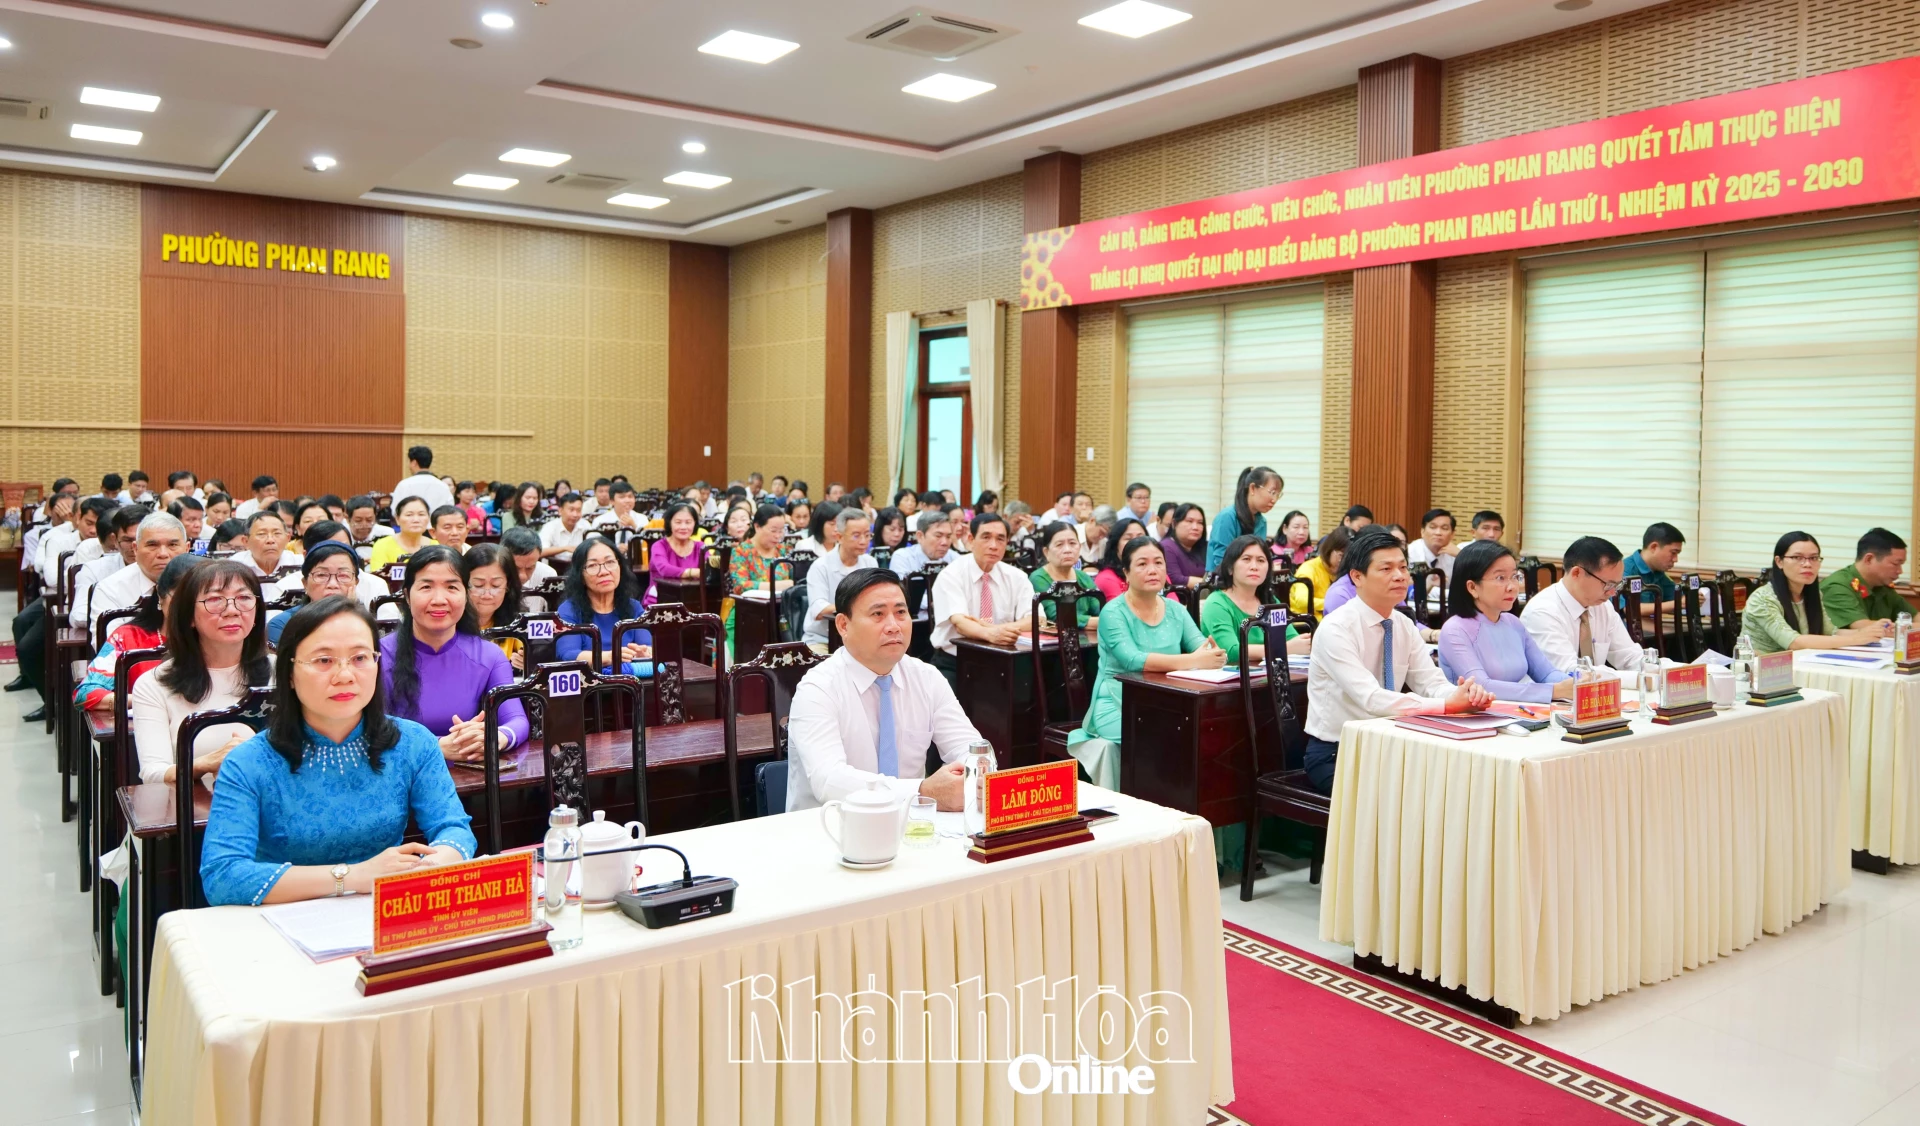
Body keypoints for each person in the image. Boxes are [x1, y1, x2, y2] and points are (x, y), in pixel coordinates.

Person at [199, 597, 477, 907]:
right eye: (323, 660)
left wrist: (434, 864)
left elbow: (454, 829)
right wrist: (351, 877)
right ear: (289, 673)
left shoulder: (413, 742)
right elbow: (222, 876)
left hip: (383, 910)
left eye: (360, 658)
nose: (345, 675)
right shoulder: (248, 762)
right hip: (283, 917)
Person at [1303, 529, 1492, 792]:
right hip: (1339, 752)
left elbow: (1431, 683)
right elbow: (1371, 698)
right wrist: (1447, 705)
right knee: (1404, 798)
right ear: (1357, 577)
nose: (1400, 576)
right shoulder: (1336, 628)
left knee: (1458, 785)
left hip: (1392, 744)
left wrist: (1462, 696)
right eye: (1386, 568)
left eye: (1403, 567)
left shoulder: (1402, 623)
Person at [785, 569, 979, 812]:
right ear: (843, 625)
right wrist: (922, 792)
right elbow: (829, 781)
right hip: (830, 825)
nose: (894, 626)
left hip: (915, 824)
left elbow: (971, 747)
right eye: (878, 614)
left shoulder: (926, 678)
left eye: (900, 613)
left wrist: (974, 772)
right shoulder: (817, 689)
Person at [1072, 539, 1224, 776]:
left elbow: (1203, 647)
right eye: (1142, 564)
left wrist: (1214, 654)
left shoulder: (1176, 609)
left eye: (1158, 563)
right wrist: (1194, 660)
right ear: (1126, 573)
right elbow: (1133, 661)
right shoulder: (1113, 612)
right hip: (1118, 703)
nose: (1153, 570)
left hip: (1170, 700)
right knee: (1169, 736)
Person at [129, 558, 270, 788]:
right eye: (215, 600)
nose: (232, 610)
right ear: (189, 617)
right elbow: (153, 773)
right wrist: (208, 762)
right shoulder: (153, 684)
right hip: (195, 804)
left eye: (244, 598)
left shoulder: (287, 672)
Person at [379, 545, 527, 763]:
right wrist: (435, 746)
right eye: (426, 587)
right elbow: (369, 730)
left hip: (469, 774)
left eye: (451, 587)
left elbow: (517, 720)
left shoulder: (489, 656)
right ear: (407, 596)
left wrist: (494, 738)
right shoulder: (377, 657)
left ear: (465, 595)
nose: (439, 599)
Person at [1436, 540, 1574, 703]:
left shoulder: (1513, 623)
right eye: (1500, 578)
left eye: (1515, 576)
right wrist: (1553, 691)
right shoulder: (1455, 630)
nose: (1512, 587)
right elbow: (1482, 686)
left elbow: (1547, 674)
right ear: (1472, 587)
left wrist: (1579, 684)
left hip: (1517, 710)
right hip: (1474, 714)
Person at [75, 553, 193, 713]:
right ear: (160, 595)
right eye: (182, 598)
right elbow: (85, 694)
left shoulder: (218, 638)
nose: (191, 607)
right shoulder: (128, 637)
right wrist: (144, 701)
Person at [928, 513, 1035, 680]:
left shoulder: (1017, 577)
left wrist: (1000, 630)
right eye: (986, 537)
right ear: (971, 540)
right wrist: (991, 634)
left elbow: (1036, 619)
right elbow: (960, 624)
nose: (993, 545)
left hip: (1004, 659)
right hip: (956, 661)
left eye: (1000, 539)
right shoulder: (951, 574)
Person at [1742, 532, 1887, 654]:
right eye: (1797, 557)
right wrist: (1855, 639)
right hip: (1760, 670)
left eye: (1813, 558)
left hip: (1800, 664)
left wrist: (1869, 631)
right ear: (1779, 562)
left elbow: (1831, 632)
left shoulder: (1812, 594)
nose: (1807, 564)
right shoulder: (1762, 599)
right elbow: (1794, 642)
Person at [1519, 536, 1645, 672]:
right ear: (1577, 573)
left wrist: (1656, 669)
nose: (1613, 592)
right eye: (1609, 584)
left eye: (1617, 585)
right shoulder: (1542, 612)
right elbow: (1571, 672)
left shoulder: (1603, 607)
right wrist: (1626, 678)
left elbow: (1630, 657)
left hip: (1595, 684)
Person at [1200, 534, 1309, 667]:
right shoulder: (1216, 603)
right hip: (1231, 676)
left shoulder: (1270, 601)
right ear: (1230, 568)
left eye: (1261, 560)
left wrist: (1304, 643)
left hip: (1269, 672)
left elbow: (1291, 638)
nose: (1254, 567)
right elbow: (1230, 651)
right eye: (1246, 559)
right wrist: (1284, 648)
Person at [556, 536, 654, 676]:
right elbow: (568, 654)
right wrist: (608, 657)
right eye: (592, 566)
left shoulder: (633, 607)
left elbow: (648, 646)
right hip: (589, 686)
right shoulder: (569, 610)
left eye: (610, 562)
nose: (604, 572)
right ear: (580, 575)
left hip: (632, 683)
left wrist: (645, 653)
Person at [89, 511, 187, 634]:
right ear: (135, 549)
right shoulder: (110, 589)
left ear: (187, 548)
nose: (163, 554)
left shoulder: (201, 584)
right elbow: (112, 644)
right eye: (152, 545)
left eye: (172, 545)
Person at [267, 541, 364, 645]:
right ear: (305, 583)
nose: (332, 584)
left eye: (343, 575)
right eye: (321, 575)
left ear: (356, 582)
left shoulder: (365, 623)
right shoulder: (282, 625)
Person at [805, 508, 876, 650]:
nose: (863, 541)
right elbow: (819, 611)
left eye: (867, 535)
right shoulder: (820, 566)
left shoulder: (870, 563)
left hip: (861, 638)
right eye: (856, 536)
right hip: (823, 638)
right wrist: (857, 606)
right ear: (839, 537)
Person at [1820, 528, 1910, 632]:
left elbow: (1914, 617)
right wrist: (1909, 628)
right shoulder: (1837, 586)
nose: (1900, 571)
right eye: (1895, 564)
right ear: (1869, 559)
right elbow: (1865, 628)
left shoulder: (1882, 585)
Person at [1029, 521, 1101, 632]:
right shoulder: (1038, 579)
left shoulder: (1083, 577)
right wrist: (1101, 622)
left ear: (1079, 547)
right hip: (1056, 640)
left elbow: (1100, 610)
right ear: (1046, 552)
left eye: (1072, 543)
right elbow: (1057, 617)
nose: (1067, 550)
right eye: (1059, 545)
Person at [464, 542, 524, 669]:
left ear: (508, 586)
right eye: (478, 585)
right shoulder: (448, 624)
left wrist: (528, 661)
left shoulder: (518, 623)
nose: (487, 595)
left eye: (496, 585)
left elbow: (537, 657)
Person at [1208, 466, 1282, 569]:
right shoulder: (1227, 517)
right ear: (1252, 488)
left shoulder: (1262, 522)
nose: (1274, 500)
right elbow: (1221, 562)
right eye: (1272, 492)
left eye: (1278, 494)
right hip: (1220, 577)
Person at [645, 501, 705, 608]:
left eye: (688, 522)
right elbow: (664, 569)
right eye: (678, 522)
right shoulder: (659, 546)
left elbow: (707, 570)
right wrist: (692, 572)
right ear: (669, 523)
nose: (683, 527)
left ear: (695, 523)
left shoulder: (700, 546)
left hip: (694, 598)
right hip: (660, 598)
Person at [1621, 522, 1685, 615]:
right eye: (1673, 553)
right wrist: (1677, 603)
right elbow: (1628, 608)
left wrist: (1693, 597)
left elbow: (1677, 597)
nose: (1676, 559)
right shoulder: (1624, 569)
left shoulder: (1659, 572)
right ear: (1654, 547)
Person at [1290, 525, 1349, 616]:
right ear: (1329, 549)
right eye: (1341, 555)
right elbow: (1301, 601)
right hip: (1307, 620)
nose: (1343, 561)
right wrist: (1334, 603)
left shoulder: (1347, 572)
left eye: (1348, 557)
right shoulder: (1308, 569)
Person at [367, 496, 433, 571]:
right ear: (397, 519)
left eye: (421, 514)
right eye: (409, 515)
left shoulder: (436, 546)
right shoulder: (382, 545)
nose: (416, 520)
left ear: (428, 518)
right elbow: (377, 576)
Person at [1092, 518, 1149, 601]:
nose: (1136, 543)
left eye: (1141, 538)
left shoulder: (1156, 571)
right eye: (1128, 539)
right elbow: (1121, 608)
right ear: (1115, 545)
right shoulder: (1107, 579)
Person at [391, 445, 456, 516]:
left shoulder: (404, 485)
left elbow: (395, 511)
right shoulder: (443, 486)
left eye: (409, 462)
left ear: (414, 463)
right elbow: (450, 510)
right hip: (435, 523)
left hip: (411, 523)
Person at [889, 510, 953, 576]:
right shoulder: (903, 558)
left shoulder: (954, 558)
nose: (945, 542)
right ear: (920, 536)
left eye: (948, 537)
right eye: (938, 536)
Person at [1162, 503, 1209, 590]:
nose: (1195, 527)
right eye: (1189, 521)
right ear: (1174, 524)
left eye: (1200, 523)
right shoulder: (1166, 547)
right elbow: (1175, 579)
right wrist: (1208, 583)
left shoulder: (1207, 547)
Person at [236, 509, 293, 578]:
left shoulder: (300, 564)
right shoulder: (234, 567)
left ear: (287, 538)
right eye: (261, 534)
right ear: (246, 541)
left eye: (277, 533)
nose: (270, 540)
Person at [1407, 508, 1458, 581]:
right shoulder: (1410, 553)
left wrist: (1461, 556)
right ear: (1422, 531)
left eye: (1444, 528)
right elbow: (1414, 585)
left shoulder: (1454, 555)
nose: (1438, 533)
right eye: (1433, 527)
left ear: (1452, 534)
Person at [540, 492, 588, 557]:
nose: (575, 514)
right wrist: (564, 549)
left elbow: (596, 546)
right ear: (560, 511)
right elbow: (540, 552)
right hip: (555, 563)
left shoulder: (585, 525)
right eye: (571, 510)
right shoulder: (549, 527)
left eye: (578, 510)